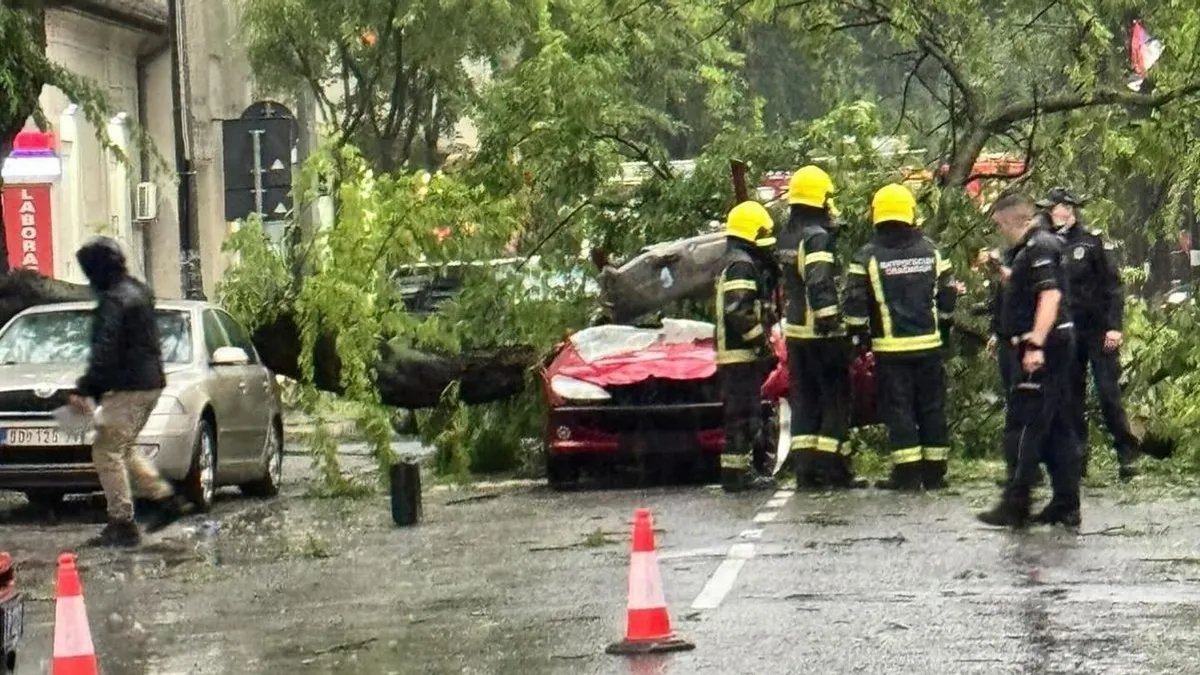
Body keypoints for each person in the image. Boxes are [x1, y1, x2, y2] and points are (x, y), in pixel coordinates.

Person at [68, 237, 188, 547]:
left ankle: (122, 523)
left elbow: (105, 350)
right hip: (149, 383)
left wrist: (86, 389)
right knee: (123, 447)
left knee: (106, 450)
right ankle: (164, 499)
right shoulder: (138, 291)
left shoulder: (114, 300)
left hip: (129, 387)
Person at [977, 193, 1083, 528]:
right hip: (1053, 343)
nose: (998, 229)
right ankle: (1066, 503)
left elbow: (1050, 296)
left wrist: (1035, 344)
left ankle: (1017, 501)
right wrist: (1002, 271)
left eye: (999, 222)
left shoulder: (1038, 247)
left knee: (1027, 422)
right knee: (1058, 427)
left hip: (1045, 347)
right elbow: (1029, 287)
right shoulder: (1037, 247)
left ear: (1013, 219)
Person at [845, 184, 956, 491]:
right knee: (932, 407)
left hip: (890, 350)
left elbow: (854, 306)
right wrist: (944, 330)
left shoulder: (866, 256)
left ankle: (907, 474)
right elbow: (947, 296)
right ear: (910, 213)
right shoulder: (932, 251)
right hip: (929, 346)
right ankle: (935, 472)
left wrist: (858, 340)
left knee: (899, 409)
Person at [1039, 187, 1140, 480]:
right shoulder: (1046, 246)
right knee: (1071, 398)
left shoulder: (1092, 242)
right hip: (1066, 333)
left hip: (1097, 330)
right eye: (1054, 208)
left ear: (1072, 209)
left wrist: (1114, 327)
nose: (1059, 212)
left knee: (1108, 394)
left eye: (1064, 207)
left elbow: (1113, 287)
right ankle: (1077, 458)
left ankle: (1127, 455)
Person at [777, 165, 861, 489]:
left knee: (805, 402)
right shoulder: (817, 237)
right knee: (835, 400)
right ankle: (832, 470)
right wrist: (831, 320)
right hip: (821, 332)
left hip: (796, 332)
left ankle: (806, 472)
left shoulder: (788, 234)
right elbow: (820, 282)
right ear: (820, 198)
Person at [715, 201, 779, 492]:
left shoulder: (737, 260)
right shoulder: (741, 264)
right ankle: (737, 477)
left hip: (737, 355)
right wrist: (762, 343)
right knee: (742, 416)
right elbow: (738, 311)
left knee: (743, 415)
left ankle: (739, 473)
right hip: (739, 354)